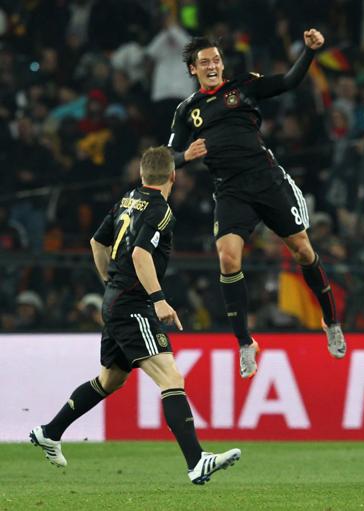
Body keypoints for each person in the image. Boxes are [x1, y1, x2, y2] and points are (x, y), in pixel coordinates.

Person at [29, 147, 240, 485]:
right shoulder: (162, 210)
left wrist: (108, 281)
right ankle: (197, 461)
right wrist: (157, 299)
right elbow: (141, 254)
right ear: (173, 176)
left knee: (110, 380)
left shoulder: (128, 199)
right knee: (171, 378)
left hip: (115, 300)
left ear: (142, 175)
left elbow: (97, 242)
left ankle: (49, 431)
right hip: (133, 304)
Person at [168, 29, 346, 379]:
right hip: (231, 191)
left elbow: (291, 81)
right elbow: (165, 157)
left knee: (303, 251)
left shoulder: (244, 86)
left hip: (267, 181)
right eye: (205, 62)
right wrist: (184, 155)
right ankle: (245, 343)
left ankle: (331, 321)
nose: (213, 65)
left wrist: (309, 52)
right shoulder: (187, 111)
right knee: (228, 258)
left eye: (216, 60)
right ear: (193, 69)